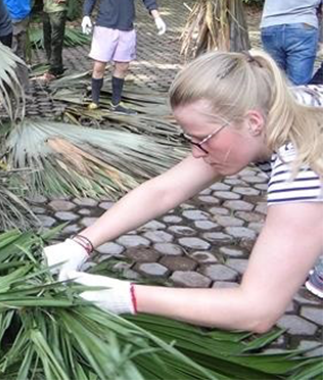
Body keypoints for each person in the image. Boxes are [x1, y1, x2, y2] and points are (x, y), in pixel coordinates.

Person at [44, 50, 323, 330]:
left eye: (203, 139)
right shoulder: (277, 103)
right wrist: (79, 244)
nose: (196, 153)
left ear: (253, 122)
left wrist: (123, 296)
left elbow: (256, 310)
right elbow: (164, 190)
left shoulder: (302, 172)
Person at [81, 0, 166, 113]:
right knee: (99, 65)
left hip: (126, 26)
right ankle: (95, 100)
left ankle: (116, 103)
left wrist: (157, 18)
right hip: (105, 25)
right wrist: (86, 15)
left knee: (122, 66)